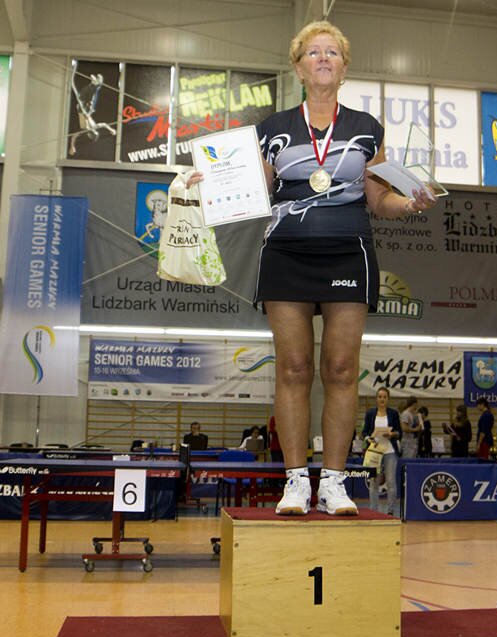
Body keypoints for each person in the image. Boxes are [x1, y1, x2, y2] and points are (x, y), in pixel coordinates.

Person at [184, 21, 436, 516]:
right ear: (298, 68)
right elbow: (250, 191)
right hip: (286, 254)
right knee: (293, 368)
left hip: (348, 253)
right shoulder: (272, 128)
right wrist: (206, 184)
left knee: (340, 369)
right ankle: (297, 481)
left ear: (344, 68)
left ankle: (334, 482)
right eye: (313, 52)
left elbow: (378, 199)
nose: (323, 58)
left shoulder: (367, 128)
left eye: (332, 52)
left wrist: (409, 204)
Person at [361, 387, 401, 516]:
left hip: (389, 451)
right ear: (376, 399)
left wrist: (392, 434)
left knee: (390, 481)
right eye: (380, 397)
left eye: (384, 397)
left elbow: (399, 433)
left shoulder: (393, 413)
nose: (382, 399)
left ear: (388, 399)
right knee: (374, 482)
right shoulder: (370, 413)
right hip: (375, 452)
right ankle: (373, 510)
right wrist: (369, 439)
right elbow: (364, 433)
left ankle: (390, 511)